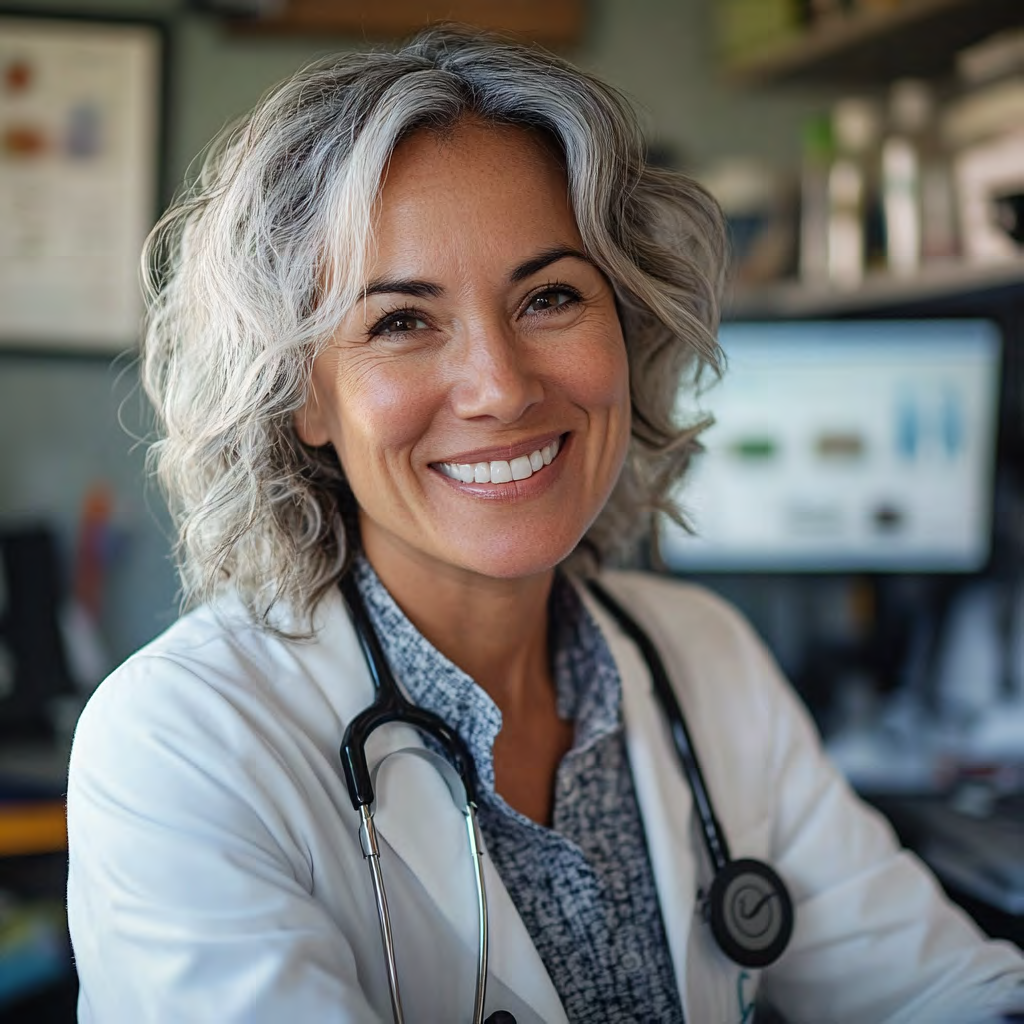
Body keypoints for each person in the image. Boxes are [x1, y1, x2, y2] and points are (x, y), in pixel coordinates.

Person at [66, 26, 1023, 1024]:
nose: (498, 386)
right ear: (302, 395)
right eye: (401, 321)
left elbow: (945, 990)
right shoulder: (181, 743)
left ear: (625, 320)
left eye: (550, 296)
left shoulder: (701, 655)